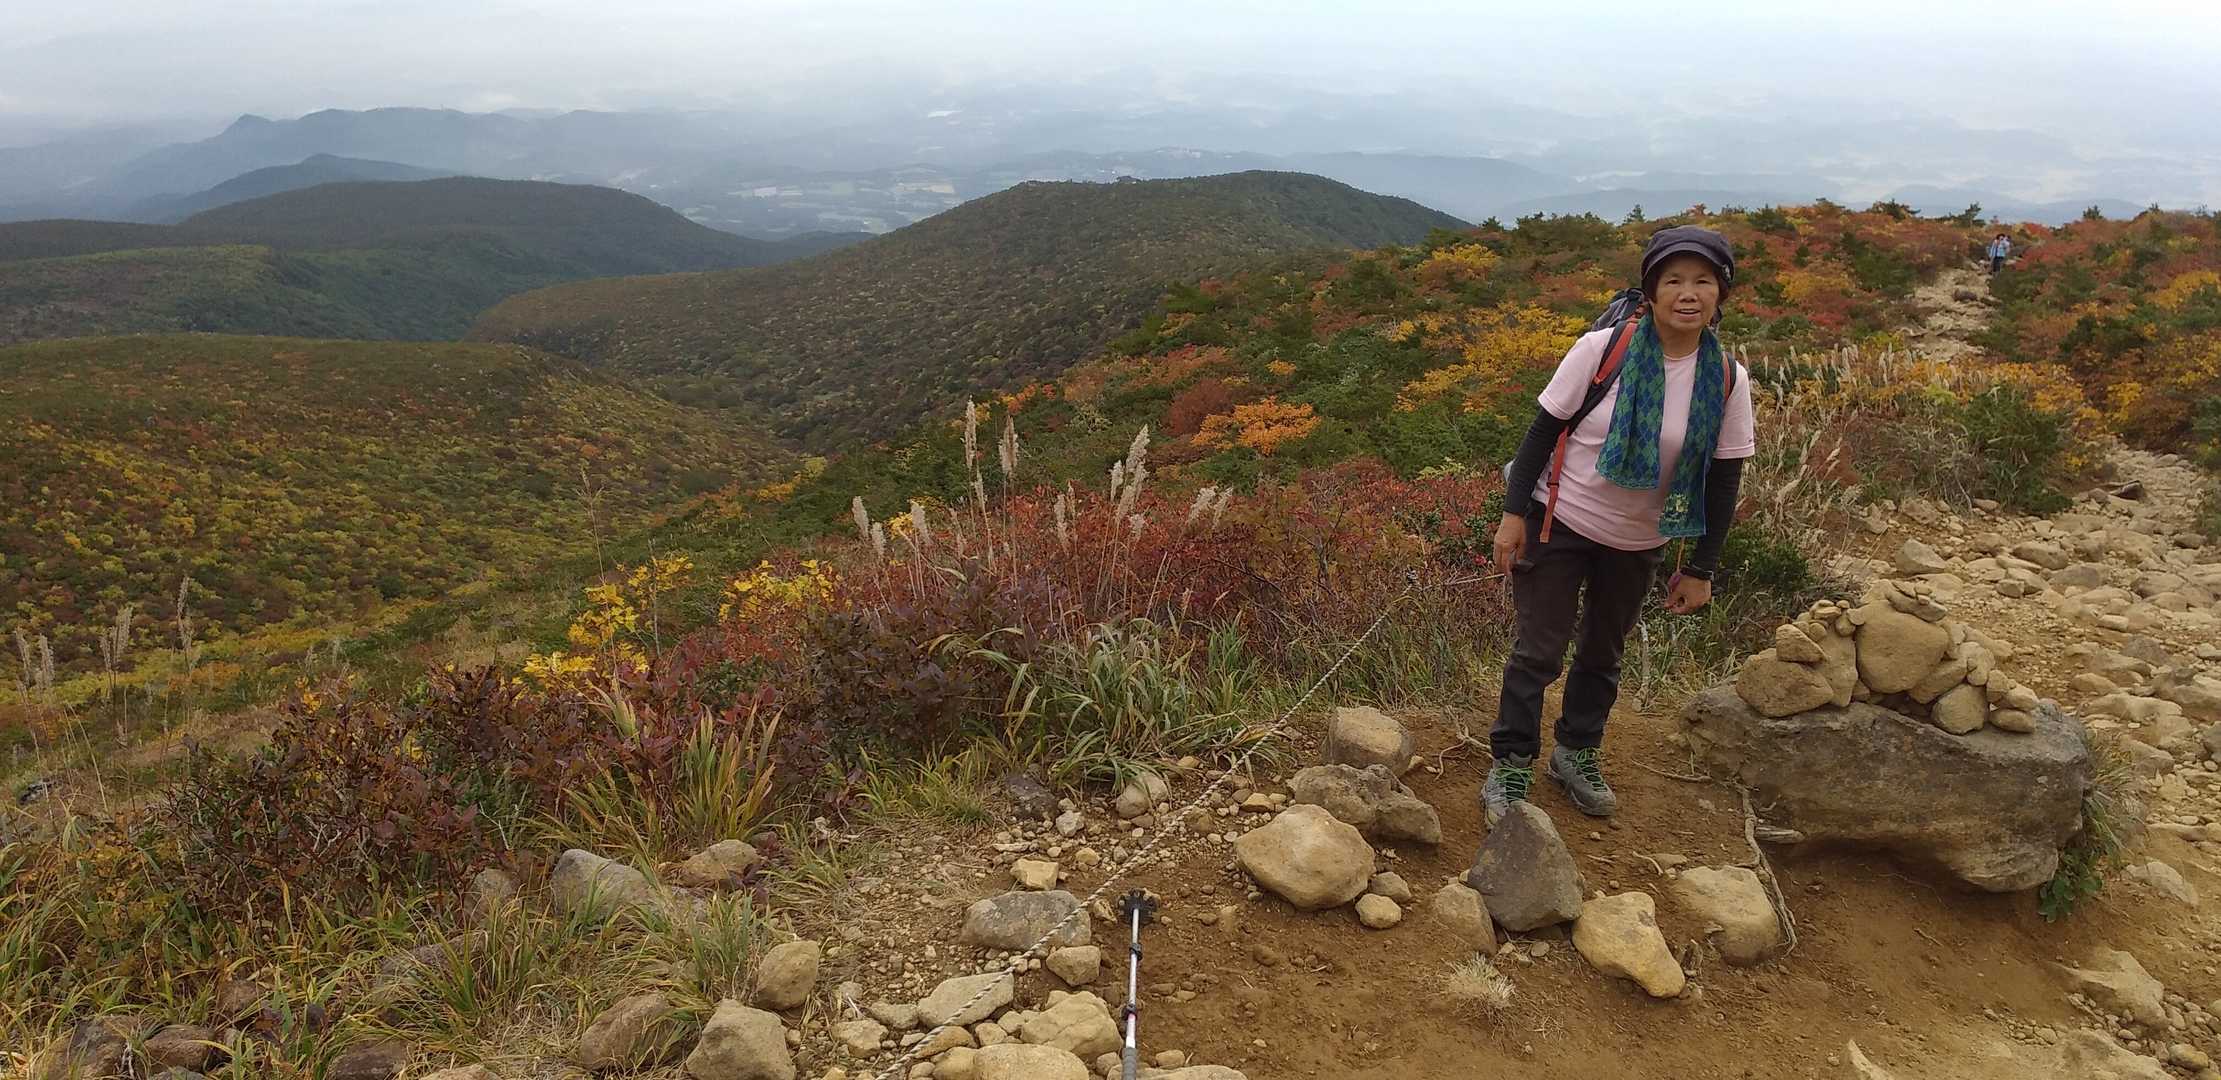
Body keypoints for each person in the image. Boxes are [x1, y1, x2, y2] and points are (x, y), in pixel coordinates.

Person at [1481, 225, 1757, 825]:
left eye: (1703, 281)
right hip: (1560, 520)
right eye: (1674, 280)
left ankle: (1575, 753)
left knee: (1603, 653)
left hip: (1640, 539)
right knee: (1539, 650)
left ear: (1721, 294)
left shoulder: (1727, 380)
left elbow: (1724, 478)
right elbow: (1541, 433)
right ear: (1650, 291)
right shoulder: (1601, 350)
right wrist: (1511, 516)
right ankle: (1512, 761)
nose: (1688, 293)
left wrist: (1702, 568)